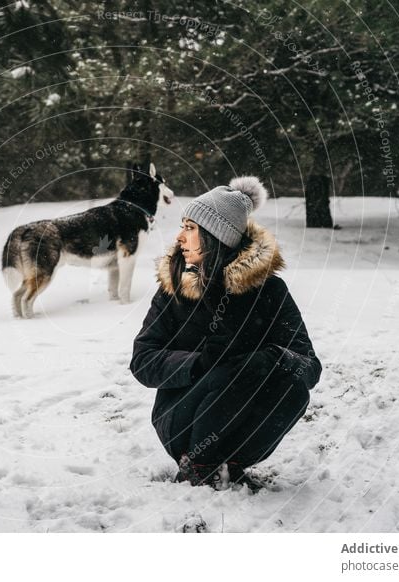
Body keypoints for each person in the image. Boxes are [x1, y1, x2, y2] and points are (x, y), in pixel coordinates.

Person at [129, 176, 322, 490]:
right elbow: (143, 361)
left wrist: (272, 359)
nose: (180, 237)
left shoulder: (270, 291)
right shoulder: (174, 290)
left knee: (293, 389)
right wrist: (199, 363)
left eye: (190, 228)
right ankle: (198, 465)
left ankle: (231, 464)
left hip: (242, 421)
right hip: (182, 420)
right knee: (228, 371)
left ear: (215, 236)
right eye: (183, 226)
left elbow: (310, 367)